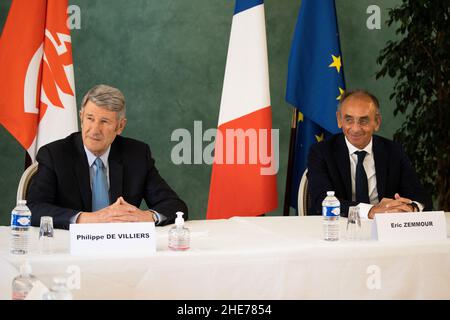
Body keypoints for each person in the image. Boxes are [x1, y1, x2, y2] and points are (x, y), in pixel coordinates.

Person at [27, 84, 188, 229]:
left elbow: (176, 206)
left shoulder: (137, 154)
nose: (95, 129)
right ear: (81, 117)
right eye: (90, 118)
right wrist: (88, 219)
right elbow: (33, 209)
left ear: (120, 126)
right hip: (69, 249)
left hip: (122, 248)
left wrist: (147, 217)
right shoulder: (54, 154)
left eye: (104, 121)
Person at [307, 89, 431, 219]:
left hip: (385, 229)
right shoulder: (321, 152)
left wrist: (410, 208)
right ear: (339, 120)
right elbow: (320, 200)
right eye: (349, 120)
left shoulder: (394, 151)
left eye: (363, 121)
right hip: (338, 227)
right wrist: (371, 211)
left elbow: (420, 196)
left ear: (377, 122)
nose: (355, 129)